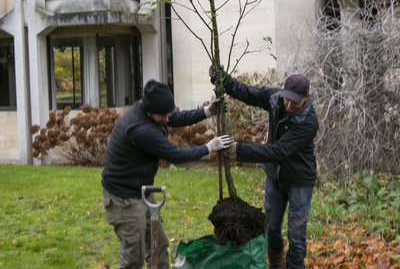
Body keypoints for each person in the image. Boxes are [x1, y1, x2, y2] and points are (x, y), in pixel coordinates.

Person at [101, 79, 233, 269]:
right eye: (163, 115)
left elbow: (175, 117)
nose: (168, 119)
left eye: (167, 113)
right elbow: (176, 155)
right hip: (123, 199)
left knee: (158, 245)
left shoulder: (148, 110)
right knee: (133, 259)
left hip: (141, 191)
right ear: (150, 110)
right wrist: (208, 147)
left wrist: (206, 111)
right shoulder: (142, 130)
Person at [210, 68, 318, 269]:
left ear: (307, 97)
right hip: (275, 177)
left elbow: (278, 150)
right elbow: (249, 93)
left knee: (297, 232)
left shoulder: (308, 122)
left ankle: (295, 266)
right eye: (287, 99)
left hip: (299, 180)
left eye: (295, 101)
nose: (289, 104)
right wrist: (225, 81)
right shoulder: (276, 98)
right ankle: (276, 264)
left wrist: (239, 149)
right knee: (272, 227)